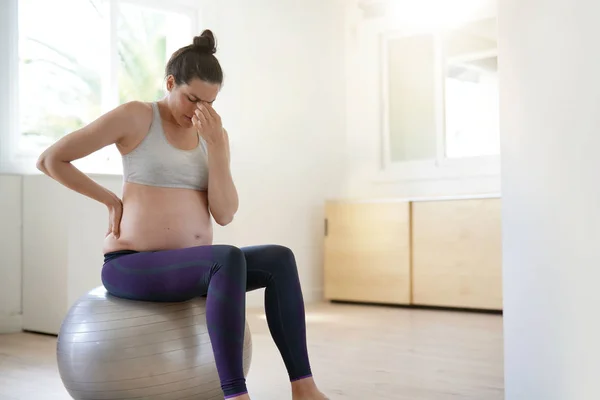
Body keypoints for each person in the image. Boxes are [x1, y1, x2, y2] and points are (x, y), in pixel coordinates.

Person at [36, 29, 328, 400]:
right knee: (226, 259)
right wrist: (109, 200)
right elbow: (50, 159)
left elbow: (224, 214)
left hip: (190, 268)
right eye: (192, 99)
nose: (199, 111)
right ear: (170, 82)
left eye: (209, 103)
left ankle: (304, 388)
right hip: (132, 265)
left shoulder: (212, 135)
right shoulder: (137, 116)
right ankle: (237, 395)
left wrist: (218, 147)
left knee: (279, 259)